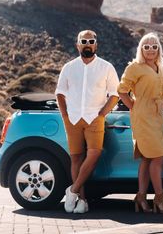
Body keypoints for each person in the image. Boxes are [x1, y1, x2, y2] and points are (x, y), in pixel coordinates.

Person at [55, 30, 120, 213]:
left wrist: (102, 114)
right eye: (83, 41)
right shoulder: (69, 67)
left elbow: (115, 94)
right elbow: (60, 92)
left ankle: (73, 190)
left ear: (96, 45)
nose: (87, 44)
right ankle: (82, 201)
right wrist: (65, 116)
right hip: (73, 118)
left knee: (94, 154)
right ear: (78, 45)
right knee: (76, 158)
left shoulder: (106, 67)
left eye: (91, 41)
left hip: (94, 118)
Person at [118, 32, 163, 213]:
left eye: (154, 46)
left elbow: (161, 97)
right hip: (143, 117)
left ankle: (141, 197)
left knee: (147, 159)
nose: (150, 50)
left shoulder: (160, 68)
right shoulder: (135, 67)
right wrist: (133, 107)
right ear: (141, 49)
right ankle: (160, 199)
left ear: (158, 49)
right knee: (158, 158)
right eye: (146, 46)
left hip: (157, 117)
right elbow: (122, 90)